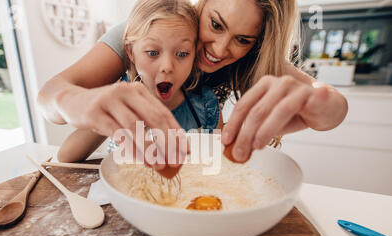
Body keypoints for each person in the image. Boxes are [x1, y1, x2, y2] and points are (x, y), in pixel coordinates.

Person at [38, 0, 348, 167]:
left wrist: (318, 103)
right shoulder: (148, 30)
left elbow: (333, 106)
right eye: (215, 24)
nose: (220, 49)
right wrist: (82, 103)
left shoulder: (250, 59)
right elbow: (49, 97)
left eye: (241, 39)